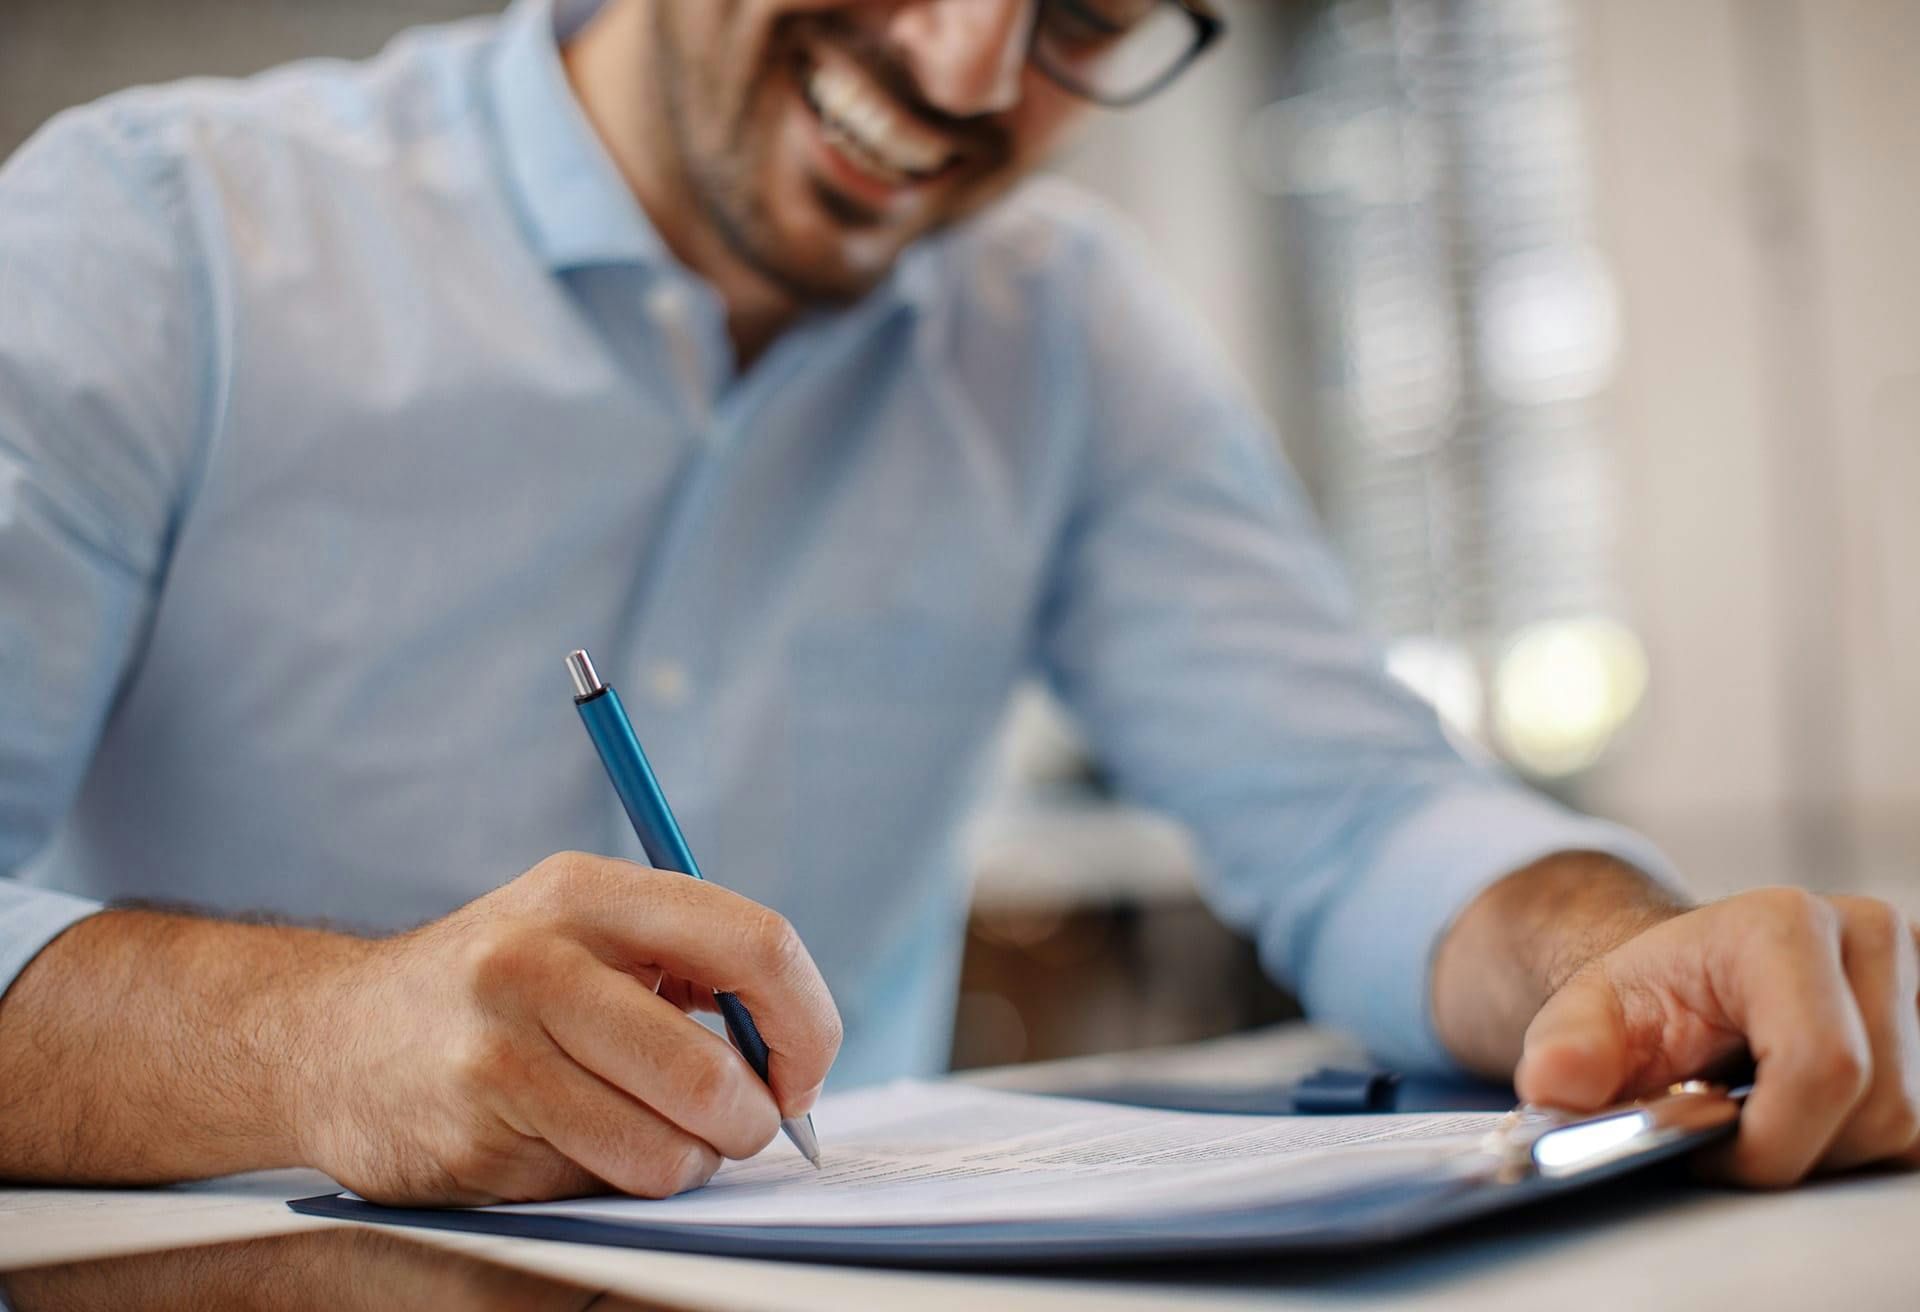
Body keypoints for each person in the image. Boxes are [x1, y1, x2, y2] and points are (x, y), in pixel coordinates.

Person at [0, 0, 1913, 1206]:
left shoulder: (1059, 326)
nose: (970, 65)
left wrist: (1624, 957)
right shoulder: (158, 242)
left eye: (1090, 13)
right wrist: (322, 1043)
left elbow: (1354, 810)